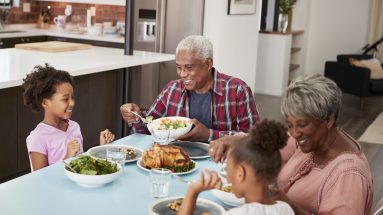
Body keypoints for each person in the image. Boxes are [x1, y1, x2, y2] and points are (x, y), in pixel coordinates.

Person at [208, 74, 373, 214]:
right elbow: (272, 143)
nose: (294, 133)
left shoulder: (349, 175)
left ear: (328, 120)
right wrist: (237, 139)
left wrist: (289, 204)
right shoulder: (316, 140)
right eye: (289, 124)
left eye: (302, 124)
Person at [120, 35, 259, 142]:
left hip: (219, 164)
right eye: (179, 67)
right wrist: (136, 117)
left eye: (189, 67)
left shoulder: (238, 90)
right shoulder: (172, 90)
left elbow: (253, 140)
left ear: (208, 63)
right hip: (176, 162)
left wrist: (209, 135)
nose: (182, 74)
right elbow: (149, 129)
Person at [178, 119, 294, 215]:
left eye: (228, 170)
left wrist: (193, 191)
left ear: (240, 173)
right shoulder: (286, 209)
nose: (228, 179)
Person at [22, 64, 115, 171]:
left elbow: (82, 166)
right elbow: (40, 180)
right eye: (65, 99)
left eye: (72, 98)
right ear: (45, 102)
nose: (72, 103)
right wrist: (67, 157)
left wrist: (101, 148)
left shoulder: (74, 127)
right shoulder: (38, 138)